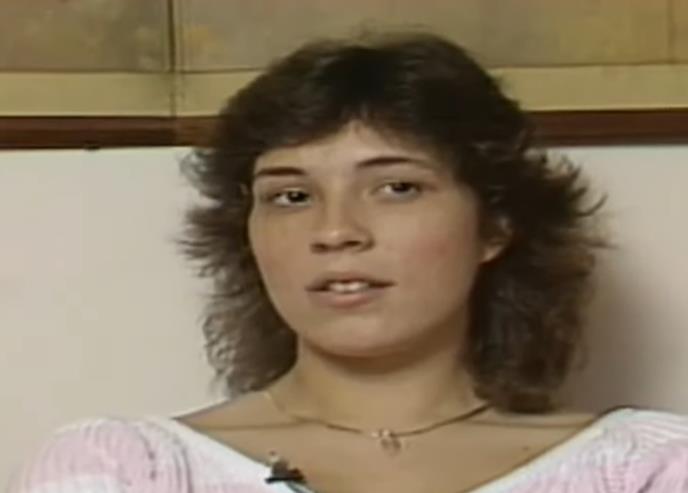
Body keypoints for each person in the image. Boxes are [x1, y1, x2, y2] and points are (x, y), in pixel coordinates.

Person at [9, 31, 688, 493]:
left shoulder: (645, 468)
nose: (335, 231)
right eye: (292, 196)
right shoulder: (130, 471)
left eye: (397, 188)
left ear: (495, 224)